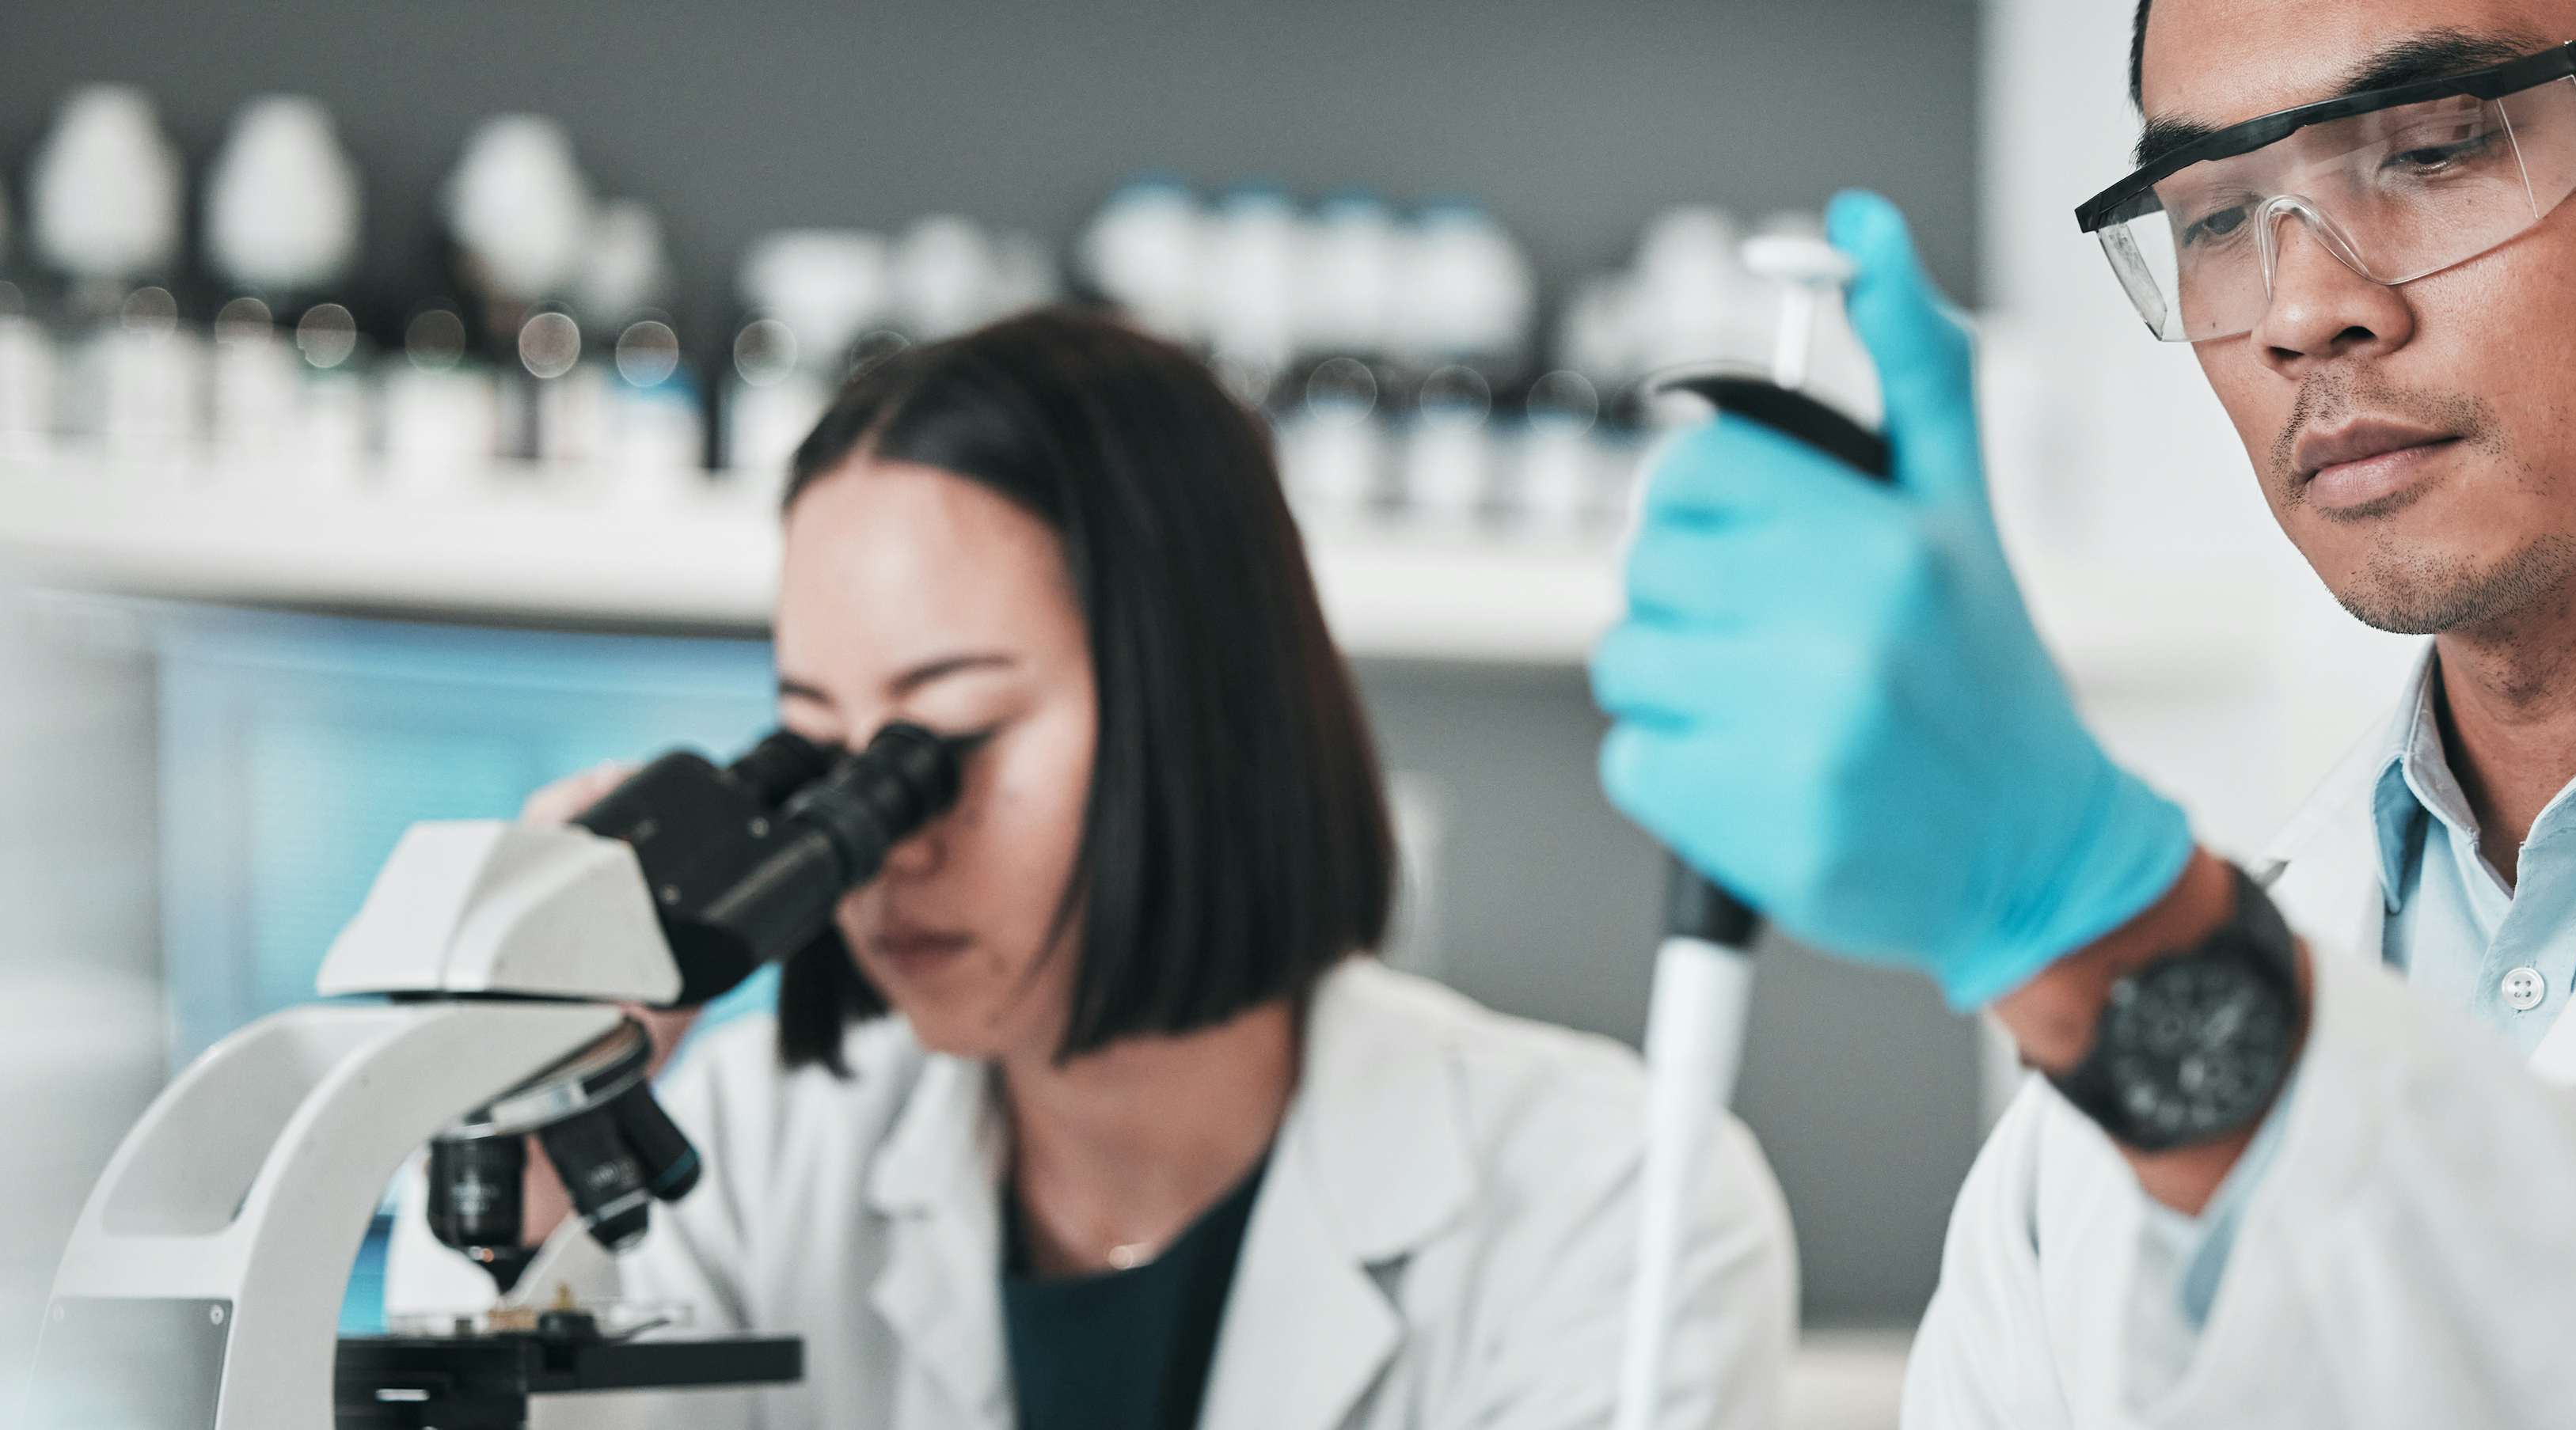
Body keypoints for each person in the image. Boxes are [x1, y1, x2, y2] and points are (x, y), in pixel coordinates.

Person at [1594, 2, 2576, 1425]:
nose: (2300, 312)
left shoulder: (2121, 972)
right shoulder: (2079, 1144)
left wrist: (2123, 956)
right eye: (2217, 216)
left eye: (2436, 146)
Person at [393, 309, 1796, 1430]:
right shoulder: (756, 1166)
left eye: (943, 742)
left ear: (1200, 708)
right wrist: (514, 1183)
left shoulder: (1605, 1205)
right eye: (817, 756)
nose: (885, 845)